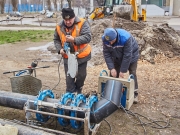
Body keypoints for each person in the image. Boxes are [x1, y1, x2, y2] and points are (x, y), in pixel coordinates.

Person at [54, 8, 92, 94]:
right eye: (65, 20)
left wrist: (74, 40)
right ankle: (70, 93)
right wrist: (59, 49)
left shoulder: (82, 23)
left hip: (81, 55)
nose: (67, 22)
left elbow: (88, 37)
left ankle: (78, 91)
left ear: (74, 17)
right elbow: (56, 39)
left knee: (81, 76)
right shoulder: (59, 26)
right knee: (70, 77)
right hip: (68, 57)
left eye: (70, 19)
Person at [102, 28, 139, 103]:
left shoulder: (126, 38)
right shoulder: (105, 39)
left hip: (131, 55)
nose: (111, 43)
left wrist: (123, 71)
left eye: (112, 41)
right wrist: (111, 68)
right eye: (109, 42)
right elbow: (106, 54)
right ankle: (111, 94)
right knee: (113, 74)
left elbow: (127, 55)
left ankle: (135, 94)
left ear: (116, 37)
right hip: (116, 56)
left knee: (132, 72)